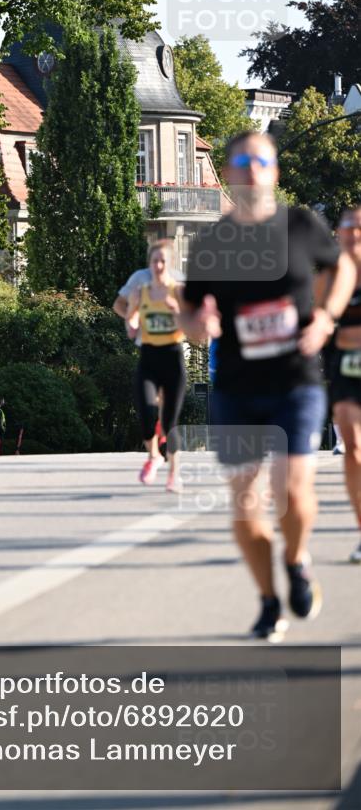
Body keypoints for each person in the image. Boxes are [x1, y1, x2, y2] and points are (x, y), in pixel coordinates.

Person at [179, 131, 356, 641]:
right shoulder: (213, 242)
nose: (253, 168)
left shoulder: (300, 225)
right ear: (230, 173)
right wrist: (198, 327)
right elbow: (190, 312)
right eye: (242, 160)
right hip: (236, 386)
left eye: (262, 160)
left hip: (295, 382)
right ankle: (268, 599)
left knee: (292, 492)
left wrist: (325, 317)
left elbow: (341, 266)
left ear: (274, 171)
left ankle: (297, 561)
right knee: (247, 506)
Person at [123, 243, 187, 491]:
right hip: (148, 358)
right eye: (154, 261)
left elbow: (191, 326)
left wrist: (177, 311)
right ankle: (153, 457)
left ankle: (174, 473)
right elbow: (131, 320)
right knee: (147, 413)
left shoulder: (178, 291)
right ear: (149, 265)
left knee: (170, 422)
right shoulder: (141, 291)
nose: (158, 266)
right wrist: (132, 322)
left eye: (163, 261)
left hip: (172, 358)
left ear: (169, 264)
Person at [327, 206, 361, 562]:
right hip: (346, 367)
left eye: (359, 228)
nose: (352, 234)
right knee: (352, 446)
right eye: (347, 228)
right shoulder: (333, 275)